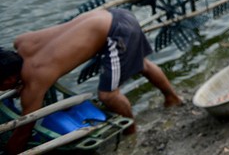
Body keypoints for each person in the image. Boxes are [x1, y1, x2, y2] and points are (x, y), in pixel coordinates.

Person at [0, 8, 182, 154]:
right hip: (115, 14)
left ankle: (131, 133)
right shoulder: (22, 42)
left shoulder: (35, 80)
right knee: (141, 64)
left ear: (10, 78)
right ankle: (172, 98)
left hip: (117, 33)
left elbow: (24, 130)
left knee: (108, 95)